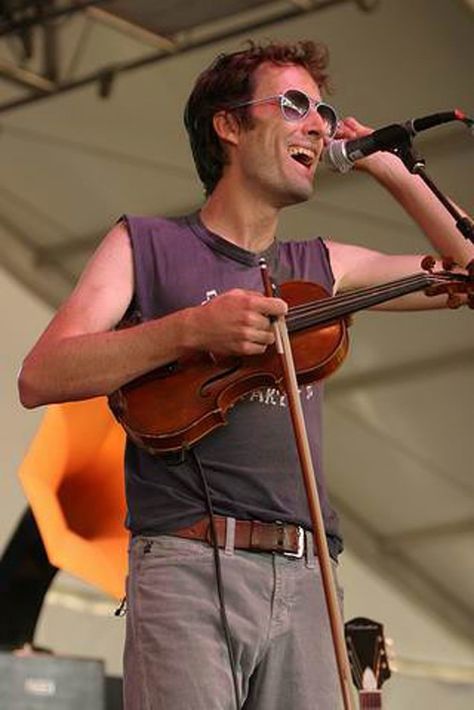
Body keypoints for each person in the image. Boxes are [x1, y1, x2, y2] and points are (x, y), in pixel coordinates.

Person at [18, 40, 473, 710]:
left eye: (323, 112)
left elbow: (466, 266)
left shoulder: (322, 264)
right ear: (228, 125)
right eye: (293, 105)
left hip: (308, 570)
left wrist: (392, 170)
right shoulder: (146, 245)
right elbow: (40, 375)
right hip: (186, 566)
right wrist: (186, 330)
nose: (316, 125)